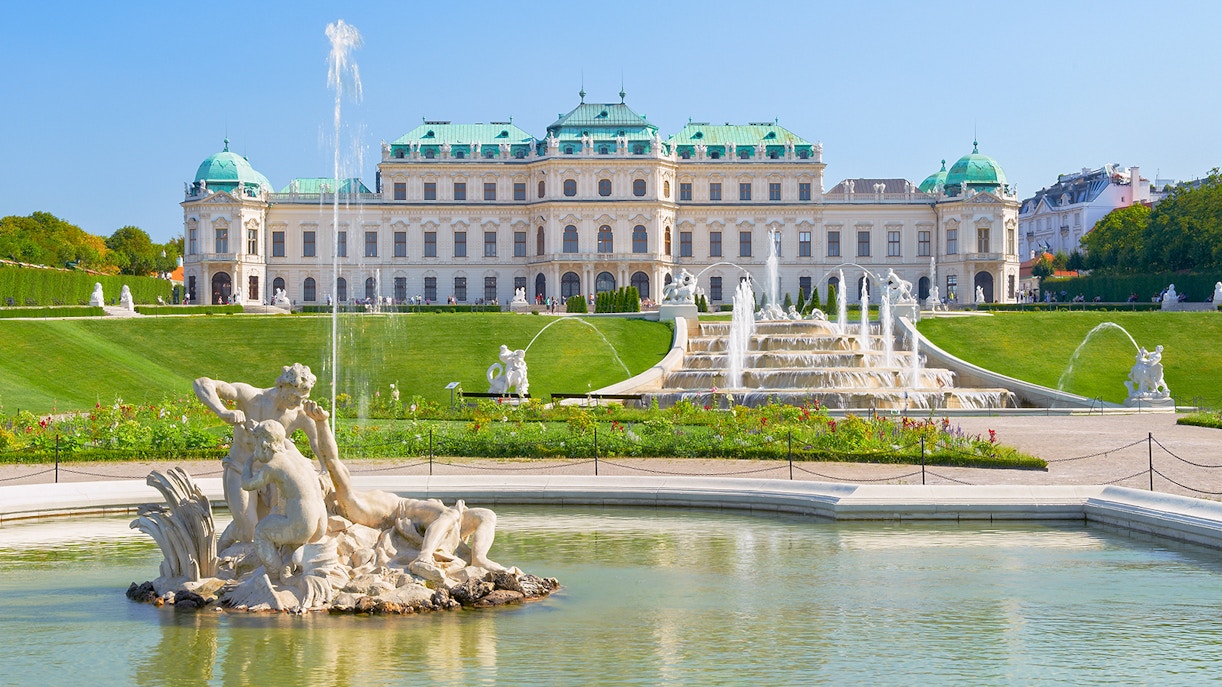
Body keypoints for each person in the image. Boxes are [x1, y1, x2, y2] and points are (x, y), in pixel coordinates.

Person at [310, 400, 507, 581]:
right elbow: (332, 461)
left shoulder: (340, 488)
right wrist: (322, 423)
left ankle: (479, 558)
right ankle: (424, 557)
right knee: (450, 514)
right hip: (410, 515)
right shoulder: (350, 501)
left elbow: (329, 462)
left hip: (431, 520)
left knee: (486, 515)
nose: (323, 478)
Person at [193, 364, 336, 549]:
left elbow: (318, 444)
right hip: (241, 467)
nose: (298, 403)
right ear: (283, 386)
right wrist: (223, 412)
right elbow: (202, 383)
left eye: (303, 398)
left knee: (278, 531)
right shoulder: (251, 397)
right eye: (295, 397)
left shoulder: (299, 414)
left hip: (275, 477)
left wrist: (325, 468)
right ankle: (223, 544)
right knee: (247, 531)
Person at [242, 418, 329, 581]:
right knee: (281, 516)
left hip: (303, 525)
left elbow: (247, 484)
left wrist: (248, 462)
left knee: (261, 531)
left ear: (264, 444)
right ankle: (289, 565)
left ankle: (275, 574)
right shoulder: (295, 454)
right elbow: (282, 438)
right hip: (320, 524)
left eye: (256, 443)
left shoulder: (273, 465)